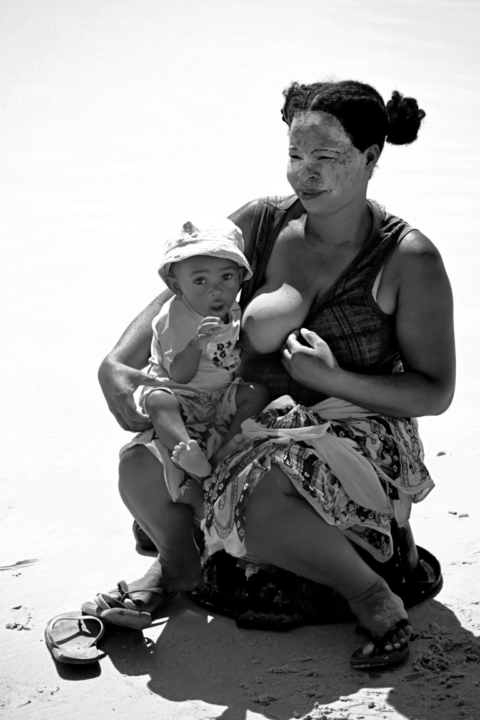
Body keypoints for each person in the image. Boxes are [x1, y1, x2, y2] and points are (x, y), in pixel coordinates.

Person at [87, 80, 455, 669]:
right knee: (139, 467)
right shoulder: (260, 222)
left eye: (326, 156)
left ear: (370, 157)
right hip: (238, 415)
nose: (305, 173)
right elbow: (181, 291)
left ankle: (371, 593)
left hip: (352, 429)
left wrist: (333, 378)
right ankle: (177, 565)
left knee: (260, 495)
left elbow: (435, 391)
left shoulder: (407, 257)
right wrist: (116, 364)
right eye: (295, 155)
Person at [122, 215, 268, 511]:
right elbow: (180, 374)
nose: (215, 290)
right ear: (176, 285)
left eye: (226, 277)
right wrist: (196, 345)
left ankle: (222, 453)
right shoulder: (175, 317)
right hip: (181, 394)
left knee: (256, 394)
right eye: (200, 280)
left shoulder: (232, 309)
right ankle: (186, 451)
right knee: (158, 402)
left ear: (241, 276)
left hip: (218, 394)